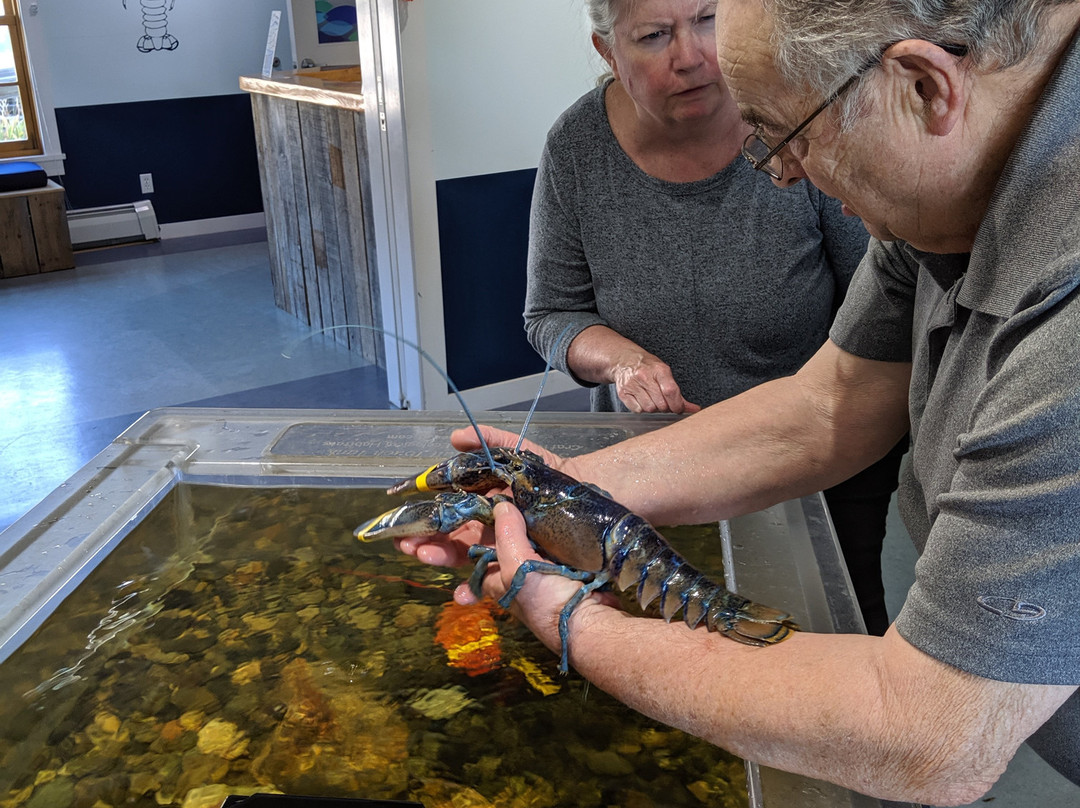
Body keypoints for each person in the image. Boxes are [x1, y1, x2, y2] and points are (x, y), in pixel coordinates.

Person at [397, 0, 1080, 803]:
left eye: (785, 138)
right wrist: (571, 493)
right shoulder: (938, 196)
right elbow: (830, 401)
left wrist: (569, 619)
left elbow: (925, 733)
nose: (782, 174)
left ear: (925, 86)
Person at [523, 0, 903, 635]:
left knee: (830, 624)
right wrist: (622, 359)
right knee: (665, 627)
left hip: (816, 460)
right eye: (653, 36)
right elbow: (552, 314)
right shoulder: (576, 148)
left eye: (707, 19)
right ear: (607, 51)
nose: (691, 56)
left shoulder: (797, 118)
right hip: (649, 461)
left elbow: (881, 302)